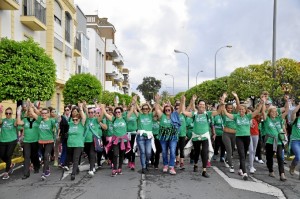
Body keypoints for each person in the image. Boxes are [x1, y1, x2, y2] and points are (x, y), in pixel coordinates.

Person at [221, 93, 263, 180]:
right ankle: (244, 173)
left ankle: (240, 169)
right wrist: (223, 102)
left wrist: (262, 103)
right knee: (242, 155)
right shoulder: (236, 117)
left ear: (245, 110)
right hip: (239, 137)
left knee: (243, 154)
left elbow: (257, 111)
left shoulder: (248, 116)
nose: (241, 111)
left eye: (242, 110)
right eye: (240, 110)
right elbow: (226, 113)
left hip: (247, 137)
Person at [182, 94, 218, 178]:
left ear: (205, 106)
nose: (202, 106)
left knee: (204, 151)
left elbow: (219, 112)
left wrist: (222, 101)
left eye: (203, 104)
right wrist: (184, 102)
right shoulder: (194, 114)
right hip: (195, 136)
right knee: (196, 151)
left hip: (205, 136)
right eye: (200, 104)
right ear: (198, 105)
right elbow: (184, 112)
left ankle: (204, 171)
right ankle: (195, 164)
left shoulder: (207, 114)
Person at [262, 95, 289, 181]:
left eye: (275, 112)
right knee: (269, 157)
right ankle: (271, 170)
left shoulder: (279, 119)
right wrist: (263, 101)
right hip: (269, 141)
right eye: (272, 112)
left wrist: (287, 101)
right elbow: (263, 112)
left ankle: (282, 174)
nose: (274, 113)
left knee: (280, 157)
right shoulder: (267, 120)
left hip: (279, 142)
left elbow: (286, 111)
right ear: (269, 113)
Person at [101, 104, 129, 177]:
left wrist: (133, 104)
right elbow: (106, 114)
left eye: (119, 112)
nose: (117, 113)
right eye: (116, 112)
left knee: (122, 155)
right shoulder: (113, 119)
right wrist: (103, 108)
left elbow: (131, 111)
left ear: (121, 113)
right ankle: (114, 169)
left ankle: (120, 168)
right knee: (115, 154)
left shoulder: (125, 119)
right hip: (115, 140)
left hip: (123, 140)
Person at [154, 94, 179, 175]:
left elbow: (181, 109)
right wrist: (157, 100)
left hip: (173, 137)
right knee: (164, 152)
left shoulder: (174, 116)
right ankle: (165, 165)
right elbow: (157, 109)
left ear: (171, 110)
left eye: (169, 110)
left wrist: (182, 101)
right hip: (163, 137)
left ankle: (171, 167)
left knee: (172, 151)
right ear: (164, 111)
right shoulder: (162, 116)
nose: (167, 111)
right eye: (166, 110)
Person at [30, 105, 56, 180]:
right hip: (41, 142)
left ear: (48, 114)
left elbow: (56, 127)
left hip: (49, 141)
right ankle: (47, 168)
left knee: (46, 155)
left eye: (45, 113)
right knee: (44, 156)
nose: (44, 114)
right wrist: (31, 105)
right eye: (42, 113)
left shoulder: (51, 121)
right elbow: (32, 112)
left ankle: (44, 173)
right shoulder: (39, 120)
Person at [16, 106, 40, 179]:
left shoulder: (38, 120)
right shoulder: (25, 120)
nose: (30, 113)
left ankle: (36, 167)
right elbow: (18, 122)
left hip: (35, 141)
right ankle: (26, 173)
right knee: (26, 156)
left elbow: (39, 114)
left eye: (31, 111)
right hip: (27, 141)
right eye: (29, 111)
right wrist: (18, 113)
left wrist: (33, 107)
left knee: (34, 155)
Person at [65, 102, 86, 180]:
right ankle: (76, 168)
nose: (75, 121)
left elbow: (83, 117)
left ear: (79, 119)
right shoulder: (70, 123)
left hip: (78, 144)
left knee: (76, 158)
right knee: (72, 159)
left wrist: (80, 108)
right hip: (70, 144)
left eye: (76, 119)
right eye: (73, 119)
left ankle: (73, 174)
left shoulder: (81, 123)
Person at [133, 99, 154, 174]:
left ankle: (147, 162)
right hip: (140, 137)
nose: (145, 110)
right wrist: (134, 102)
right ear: (141, 109)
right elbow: (134, 110)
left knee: (148, 153)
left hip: (148, 137)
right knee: (142, 152)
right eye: (143, 109)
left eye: (146, 108)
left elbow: (155, 109)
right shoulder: (139, 115)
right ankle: (143, 167)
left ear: (148, 109)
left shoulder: (150, 115)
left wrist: (152, 103)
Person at [0, 107, 18, 180]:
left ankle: (6, 172)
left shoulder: (14, 120)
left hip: (12, 140)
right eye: (6, 113)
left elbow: (17, 123)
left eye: (10, 113)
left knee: (8, 155)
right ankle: (10, 164)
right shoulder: (3, 121)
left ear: (12, 114)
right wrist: (0, 112)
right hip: (2, 140)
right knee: (1, 155)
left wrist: (19, 113)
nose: (8, 115)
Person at [124, 98, 138, 170]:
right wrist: (131, 108)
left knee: (133, 148)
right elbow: (127, 118)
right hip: (127, 134)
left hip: (134, 133)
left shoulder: (135, 114)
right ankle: (129, 160)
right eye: (130, 105)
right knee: (128, 148)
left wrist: (135, 104)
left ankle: (133, 162)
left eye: (132, 105)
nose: (131, 106)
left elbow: (139, 116)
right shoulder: (126, 113)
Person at [289, 102, 300, 179]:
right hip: (295, 141)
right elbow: (293, 112)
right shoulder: (296, 120)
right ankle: (292, 166)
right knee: (298, 157)